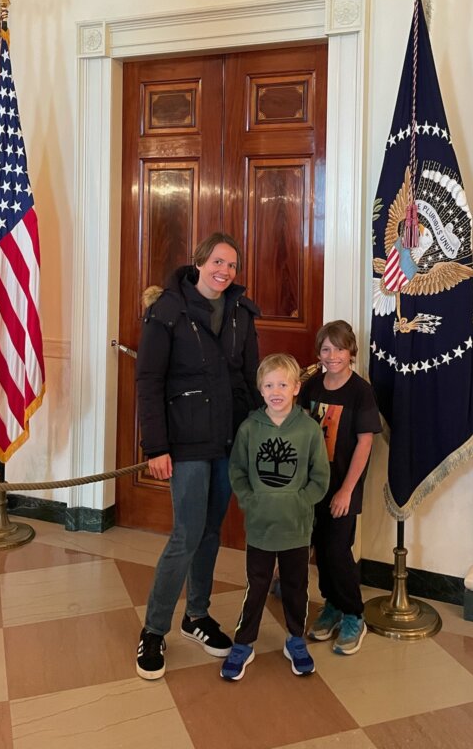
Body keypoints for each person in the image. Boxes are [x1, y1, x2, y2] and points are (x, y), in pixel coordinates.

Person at [134, 232, 260, 680]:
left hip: (228, 441)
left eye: (232, 266)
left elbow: (249, 379)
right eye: (218, 262)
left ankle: (197, 616)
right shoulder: (167, 310)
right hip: (184, 443)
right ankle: (153, 629)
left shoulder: (242, 313)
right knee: (186, 534)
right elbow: (148, 381)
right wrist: (157, 447)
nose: (225, 271)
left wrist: (254, 435)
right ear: (200, 261)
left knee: (210, 531)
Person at [221, 353, 330, 681]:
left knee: (297, 586)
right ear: (260, 389)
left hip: (296, 526)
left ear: (297, 387)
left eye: (283, 384)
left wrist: (302, 502)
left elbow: (320, 476)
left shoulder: (309, 429)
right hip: (261, 525)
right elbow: (237, 470)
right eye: (269, 385)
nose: (276, 390)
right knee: (257, 585)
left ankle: (296, 639)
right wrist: (249, 500)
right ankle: (244, 641)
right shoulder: (250, 428)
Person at [298, 320, 381, 655]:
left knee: (336, 548)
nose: (332, 355)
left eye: (339, 348)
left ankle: (353, 614)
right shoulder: (312, 386)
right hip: (313, 485)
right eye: (326, 349)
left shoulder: (361, 391)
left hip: (343, 484)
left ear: (351, 351)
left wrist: (346, 490)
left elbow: (364, 444)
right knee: (321, 547)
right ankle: (331, 604)